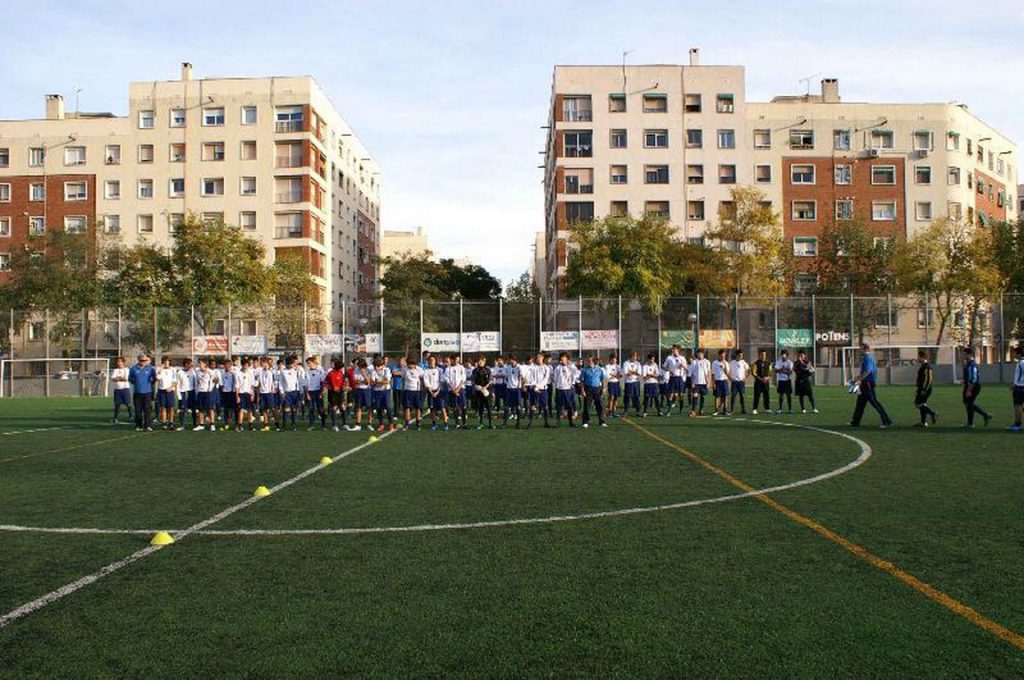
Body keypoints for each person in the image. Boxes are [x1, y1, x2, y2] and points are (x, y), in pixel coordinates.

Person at [849, 343, 893, 429]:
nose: (859, 351)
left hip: (868, 383)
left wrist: (858, 378)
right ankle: (855, 421)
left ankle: (887, 421)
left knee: (874, 402)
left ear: (865, 349)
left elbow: (867, 371)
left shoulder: (868, 358)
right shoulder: (868, 358)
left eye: (860, 349)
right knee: (860, 403)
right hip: (865, 383)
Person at [961, 348, 991, 428]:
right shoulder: (968, 364)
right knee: (967, 403)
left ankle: (970, 423)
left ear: (970, 354)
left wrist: (969, 390)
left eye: (965, 354)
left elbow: (973, 379)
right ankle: (985, 415)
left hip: (973, 386)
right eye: (963, 354)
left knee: (969, 403)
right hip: (969, 385)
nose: (963, 356)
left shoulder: (972, 364)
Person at [128, 354, 156, 431]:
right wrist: (135, 382)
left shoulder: (150, 368)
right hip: (137, 392)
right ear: (138, 360)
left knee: (147, 410)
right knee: (138, 410)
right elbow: (130, 378)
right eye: (142, 360)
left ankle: (147, 425)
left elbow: (154, 378)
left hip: (147, 392)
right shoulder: (133, 368)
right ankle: (138, 425)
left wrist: (152, 381)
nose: (144, 362)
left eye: (145, 360)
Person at [194, 358, 221, 431]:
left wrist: (211, 387)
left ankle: (212, 424)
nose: (199, 365)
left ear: (205, 364)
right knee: (201, 409)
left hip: (208, 392)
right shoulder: (197, 372)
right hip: (200, 392)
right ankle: (201, 425)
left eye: (201, 363)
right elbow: (197, 382)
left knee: (210, 408)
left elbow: (216, 380)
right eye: (199, 363)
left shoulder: (210, 372)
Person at [580, 355, 607, 428]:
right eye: (588, 361)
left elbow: (603, 379)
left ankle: (602, 421)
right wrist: (582, 390)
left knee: (600, 406)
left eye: (590, 361)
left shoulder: (599, 369)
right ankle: (585, 422)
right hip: (588, 388)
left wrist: (604, 388)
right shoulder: (584, 370)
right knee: (587, 406)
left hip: (597, 388)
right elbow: (582, 381)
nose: (589, 362)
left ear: (594, 361)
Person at [422, 355, 447, 430]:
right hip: (431, 392)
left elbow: (441, 382)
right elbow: (426, 382)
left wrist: (437, 391)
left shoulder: (439, 370)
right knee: (432, 409)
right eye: (430, 360)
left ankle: (445, 424)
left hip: (439, 392)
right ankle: (434, 424)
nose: (431, 361)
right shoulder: (426, 371)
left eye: (433, 360)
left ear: (435, 361)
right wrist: (430, 391)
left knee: (442, 408)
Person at [552, 353, 576, 427]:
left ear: (567, 359)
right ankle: (558, 422)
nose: (562, 360)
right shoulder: (557, 368)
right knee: (559, 406)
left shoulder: (571, 367)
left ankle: (571, 422)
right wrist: (558, 385)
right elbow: (555, 378)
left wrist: (571, 383)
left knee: (569, 406)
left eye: (564, 358)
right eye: (561, 359)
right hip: (559, 389)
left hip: (568, 389)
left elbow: (576, 373)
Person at [663, 345, 688, 415]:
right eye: (672, 349)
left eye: (674, 349)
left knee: (681, 395)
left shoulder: (682, 358)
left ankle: (681, 411)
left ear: (678, 350)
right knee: (671, 394)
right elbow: (664, 367)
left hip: (680, 378)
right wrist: (669, 370)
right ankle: (669, 411)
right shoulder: (669, 358)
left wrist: (683, 366)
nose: (673, 351)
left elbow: (686, 368)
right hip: (672, 378)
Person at [914, 351, 937, 427]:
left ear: (922, 357)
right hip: (921, 389)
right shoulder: (923, 366)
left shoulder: (927, 367)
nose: (918, 358)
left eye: (918, 357)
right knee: (922, 404)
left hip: (925, 389)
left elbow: (928, 379)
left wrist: (924, 389)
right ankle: (923, 422)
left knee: (917, 404)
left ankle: (932, 413)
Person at [325, 359, 349, 432]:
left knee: (343, 407)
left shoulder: (341, 372)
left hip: (340, 392)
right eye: (341, 367)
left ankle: (345, 424)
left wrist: (345, 386)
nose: (341, 368)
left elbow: (344, 381)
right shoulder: (331, 373)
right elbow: (326, 382)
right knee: (334, 407)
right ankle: (334, 425)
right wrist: (331, 387)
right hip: (333, 393)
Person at [370, 357, 393, 432]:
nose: (376, 367)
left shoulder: (387, 370)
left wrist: (378, 382)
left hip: (386, 391)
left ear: (382, 365)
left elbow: (387, 381)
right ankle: (381, 424)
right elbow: (372, 382)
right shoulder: (373, 372)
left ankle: (391, 424)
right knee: (378, 408)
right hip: (377, 391)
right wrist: (381, 382)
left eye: (377, 366)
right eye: (375, 366)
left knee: (388, 407)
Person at [471, 355, 494, 429]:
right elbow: (473, 381)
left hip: (487, 391)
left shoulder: (487, 370)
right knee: (480, 408)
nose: (480, 362)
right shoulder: (475, 370)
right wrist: (477, 387)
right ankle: (481, 423)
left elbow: (490, 380)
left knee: (489, 408)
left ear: (484, 361)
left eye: (481, 361)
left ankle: (490, 424)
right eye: (479, 361)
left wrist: (484, 388)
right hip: (479, 391)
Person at [446, 355, 469, 429]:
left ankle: (465, 423)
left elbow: (463, 378)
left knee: (463, 406)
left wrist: (458, 388)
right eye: (456, 360)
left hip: (461, 389)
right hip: (452, 390)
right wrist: (453, 389)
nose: (457, 361)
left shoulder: (461, 367)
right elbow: (447, 380)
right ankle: (457, 423)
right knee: (455, 407)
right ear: (452, 360)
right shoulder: (448, 369)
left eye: (458, 360)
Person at [155, 357, 178, 430]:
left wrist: (171, 388)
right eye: (165, 362)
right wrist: (161, 370)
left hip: (170, 391)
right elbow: (158, 378)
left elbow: (175, 381)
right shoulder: (159, 369)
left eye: (167, 362)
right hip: (161, 391)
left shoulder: (173, 370)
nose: (166, 363)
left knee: (171, 408)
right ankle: (164, 423)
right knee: (163, 407)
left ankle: (171, 423)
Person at [349, 358, 372, 431]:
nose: (359, 368)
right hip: (359, 389)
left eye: (360, 366)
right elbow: (355, 380)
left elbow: (368, 382)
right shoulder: (356, 370)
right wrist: (363, 381)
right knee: (358, 407)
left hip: (367, 390)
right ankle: (358, 424)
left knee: (369, 407)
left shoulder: (368, 370)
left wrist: (364, 374)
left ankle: (369, 424)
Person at [403, 355, 425, 429]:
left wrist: (422, 387)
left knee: (418, 407)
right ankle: (407, 423)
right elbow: (402, 376)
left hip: (417, 391)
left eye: (412, 364)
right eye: (409, 364)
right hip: (407, 390)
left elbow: (423, 378)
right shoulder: (405, 369)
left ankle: (418, 422)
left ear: (415, 364)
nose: (410, 365)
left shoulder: (419, 369)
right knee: (407, 407)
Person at [306, 357, 328, 431]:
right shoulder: (307, 372)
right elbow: (305, 384)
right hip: (310, 392)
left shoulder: (320, 371)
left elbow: (323, 383)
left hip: (318, 391)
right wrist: (307, 394)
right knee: (311, 409)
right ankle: (311, 425)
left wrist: (321, 393)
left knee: (320, 409)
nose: (308, 365)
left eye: (309, 363)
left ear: (313, 363)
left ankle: (323, 425)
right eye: (307, 363)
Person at [502, 355, 523, 428]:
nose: (510, 361)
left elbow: (521, 377)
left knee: (518, 406)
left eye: (511, 360)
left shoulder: (519, 367)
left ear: (514, 360)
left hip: (516, 389)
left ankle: (518, 423)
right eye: (509, 360)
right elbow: (505, 376)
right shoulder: (507, 367)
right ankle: (505, 423)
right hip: (509, 389)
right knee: (506, 406)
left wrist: (519, 385)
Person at [688, 349, 711, 417]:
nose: (699, 355)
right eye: (698, 353)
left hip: (704, 383)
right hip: (696, 383)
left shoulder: (707, 362)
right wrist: (692, 382)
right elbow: (691, 373)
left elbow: (709, 372)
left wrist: (709, 382)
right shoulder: (694, 362)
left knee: (703, 396)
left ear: (703, 354)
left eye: (700, 353)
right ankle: (693, 411)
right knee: (695, 395)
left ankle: (701, 410)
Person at [236, 358, 256, 431]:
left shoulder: (250, 373)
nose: (246, 367)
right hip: (241, 394)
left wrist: (253, 394)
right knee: (241, 410)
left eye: (247, 365)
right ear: (242, 365)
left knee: (250, 410)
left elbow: (252, 385)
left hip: (249, 394)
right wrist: (237, 396)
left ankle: (250, 425)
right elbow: (237, 386)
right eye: (244, 365)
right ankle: (240, 425)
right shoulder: (238, 374)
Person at [111, 357, 132, 424]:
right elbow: (113, 379)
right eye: (118, 362)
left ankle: (131, 416)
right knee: (117, 404)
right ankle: (115, 418)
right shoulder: (115, 370)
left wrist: (118, 378)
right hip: (117, 389)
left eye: (120, 361)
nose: (119, 363)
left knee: (128, 403)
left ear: (123, 362)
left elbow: (126, 379)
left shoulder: (126, 370)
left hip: (125, 389)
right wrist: (120, 378)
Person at [711, 349, 731, 416]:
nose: (723, 357)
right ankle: (716, 410)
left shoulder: (726, 363)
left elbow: (727, 372)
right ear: (719, 355)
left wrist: (724, 364)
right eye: (722, 356)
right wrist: (713, 383)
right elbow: (713, 374)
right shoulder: (714, 363)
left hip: (724, 381)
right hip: (717, 381)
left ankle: (725, 410)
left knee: (725, 396)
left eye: (724, 356)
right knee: (717, 396)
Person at [622, 351, 642, 417]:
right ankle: (625, 411)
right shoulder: (626, 363)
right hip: (628, 382)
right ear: (631, 356)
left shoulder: (638, 363)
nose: (636, 357)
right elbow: (626, 373)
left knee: (636, 397)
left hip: (636, 382)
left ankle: (638, 411)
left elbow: (639, 373)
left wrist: (631, 371)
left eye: (636, 356)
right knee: (627, 397)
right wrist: (634, 372)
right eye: (635, 356)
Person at [751, 350, 772, 415]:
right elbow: (753, 373)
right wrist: (760, 378)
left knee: (766, 396)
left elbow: (770, 373)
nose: (763, 356)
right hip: (758, 383)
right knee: (757, 396)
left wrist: (767, 378)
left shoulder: (768, 363)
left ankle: (767, 408)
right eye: (762, 355)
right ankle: (755, 409)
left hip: (766, 382)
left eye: (764, 355)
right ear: (759, 355)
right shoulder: (755, 363)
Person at [729, 350, 749, 415]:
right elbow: (728, 371)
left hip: (741, 382)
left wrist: (745, 378)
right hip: (734, 382)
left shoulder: (743, 362)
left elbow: (748, 370)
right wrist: (730, 378)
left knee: (742, 396)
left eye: (742, 355)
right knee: (733, 395)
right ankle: (732, 410)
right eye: (740, 355)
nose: (741, 356)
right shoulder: (732, 362)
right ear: (737, 355)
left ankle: (743, 409)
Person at [774, 349, 794, 414]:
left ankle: (790, 409)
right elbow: (775, 370)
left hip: (787, 380)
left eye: (784, 355)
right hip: (781, 380)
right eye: (782, 354)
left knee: (788, 395)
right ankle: (780, 409)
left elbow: (790, 372)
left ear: (787, 355)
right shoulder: (778, 362)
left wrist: (782, 370)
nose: (783, 356)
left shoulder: (790, 362)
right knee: (781, 395)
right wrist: (783, 369)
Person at [1010, 346, 1024, 432]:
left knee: (1017, 406)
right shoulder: (1020, 363)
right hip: (1019, 386)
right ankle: (1017, 423)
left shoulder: (1021, 363)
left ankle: (1018, 424)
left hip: (1019, 387)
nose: (1014, 354)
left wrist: (1015, 384)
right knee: (1019, 406)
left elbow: (1019, 377)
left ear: (1019, 354)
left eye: (1015, 353)